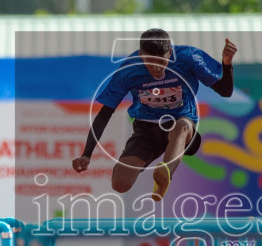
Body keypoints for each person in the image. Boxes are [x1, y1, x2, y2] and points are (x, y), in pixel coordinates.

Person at [72, 29, 236, 200]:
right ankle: (148, 165)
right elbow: (105, 113)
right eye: (150, 61)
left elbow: (225, 91)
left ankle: (164, 176)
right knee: (120, 184)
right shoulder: (129, 70)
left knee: (180, 127)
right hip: (146, 130)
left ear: (170, 54)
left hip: (181, 123)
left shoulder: (189, 58)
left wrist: (226, 63)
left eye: (162, 61)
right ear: (142, 54)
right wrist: (87, 154)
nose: (156, 68)